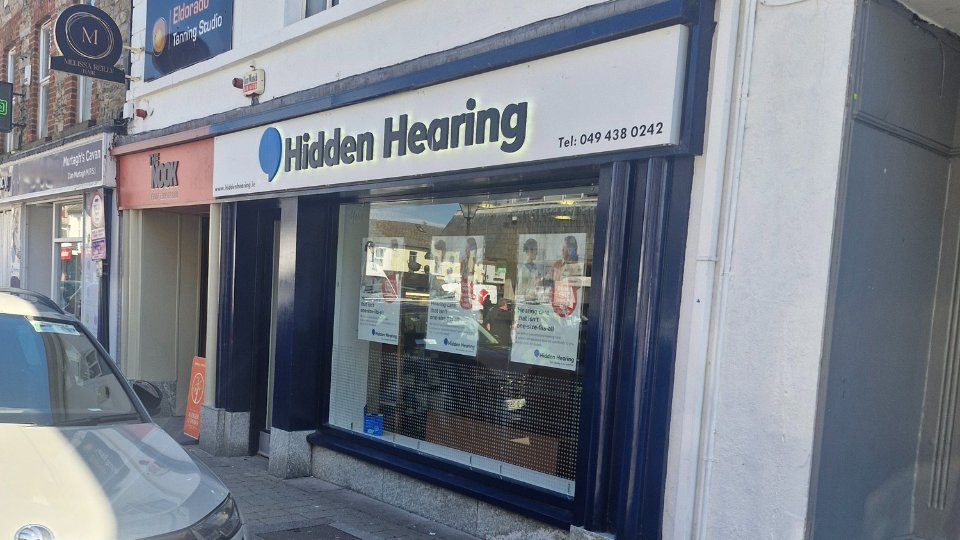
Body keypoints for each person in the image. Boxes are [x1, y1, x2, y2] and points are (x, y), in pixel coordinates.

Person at [517, 237, 543, 303]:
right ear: (529, 251)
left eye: (536, 250)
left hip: (535, 302)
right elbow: (520, 292)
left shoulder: (536, 269)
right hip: (526, 304)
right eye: (535, 250)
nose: (536, 253)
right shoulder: (523, 270)